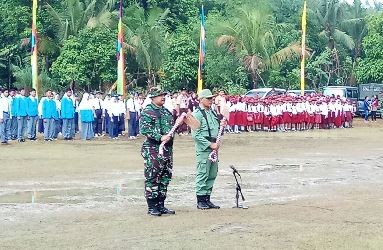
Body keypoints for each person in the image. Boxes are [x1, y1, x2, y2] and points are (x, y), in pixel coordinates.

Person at [139, 87, 175, 216]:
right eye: (160, 95)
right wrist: (160, 137)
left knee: (165, 177)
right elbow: (144, 129)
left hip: (167, 149)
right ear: (153, 98)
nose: (163, 97)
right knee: (153, 177)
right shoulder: (148, 112)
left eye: (164, 95)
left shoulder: (166, 112)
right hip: (153, 149)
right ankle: (152, 206)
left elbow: (172, 127)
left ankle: (161, 204)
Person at [191, 89, 225, 210]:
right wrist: (210, 145)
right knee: (203, 173)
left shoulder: (212, 112)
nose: (211, 101)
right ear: (201, 99)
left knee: (212, 174)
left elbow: (216, 128)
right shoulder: (197, 114)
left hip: (214, 148)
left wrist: (222, 126)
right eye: (208, 98)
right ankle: (200, 200)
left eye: (212, 98)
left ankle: (207, 198)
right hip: (204, 149)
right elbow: (196, 135)